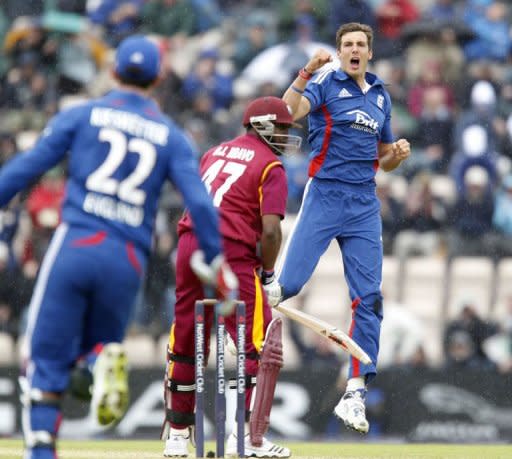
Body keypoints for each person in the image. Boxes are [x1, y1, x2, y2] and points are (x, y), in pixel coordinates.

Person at [0, 35, 237, 459]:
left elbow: (29, 167)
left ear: (112, 71)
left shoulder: (84, 115)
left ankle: (41, 447)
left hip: (77, 242)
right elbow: (200, 202)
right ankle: (96, 360)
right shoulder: (171, 135)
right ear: (160, 76)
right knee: (99, 339)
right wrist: (216, 257)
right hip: (128, 259)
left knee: (43, 358)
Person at [265, 22, 411, 434]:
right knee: (285, 287)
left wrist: (397, 154)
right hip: (325, 195)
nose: (353, 49)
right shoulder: (327, 83)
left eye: (360, 44)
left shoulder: (381, 94)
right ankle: (243, 338)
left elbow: (383, 159)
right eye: (347, 44)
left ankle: (355, 392)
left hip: (364, 203)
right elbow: (287, 115)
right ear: (339, 50)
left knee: (370, 299)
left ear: (370, 53)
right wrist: (306, 72)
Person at [161, 96, 301, 458]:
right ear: (263, 125)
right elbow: (271, 232)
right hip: (233, 251)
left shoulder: (215, 151)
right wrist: (268, 275)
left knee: (188, 342)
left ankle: (177, 436)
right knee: (261, 345)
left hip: (191, 244)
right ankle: (248, 438)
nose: (286, 136)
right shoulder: (271, 166)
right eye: (282, 128)